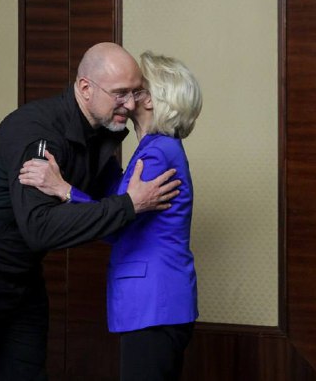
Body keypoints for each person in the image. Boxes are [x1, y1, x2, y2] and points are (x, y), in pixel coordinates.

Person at [0, 42, 181, 381]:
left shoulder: (101, 132)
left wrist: (132, 189)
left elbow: (110, 203)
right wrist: (129, 204)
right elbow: (40, 227)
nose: (130, 105)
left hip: (20, 277)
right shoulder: (38, 131)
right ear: (85, 88)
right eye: (119, 94)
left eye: (134, 92)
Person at [20, 51, 202, 381]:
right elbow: (119, 207)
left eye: (137, 89)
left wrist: (63, 189)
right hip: (159, 303)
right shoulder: (157, 148)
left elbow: (117, 224)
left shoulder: (157, 154)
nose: (127, 98)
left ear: (152, 99)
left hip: (154, 303)